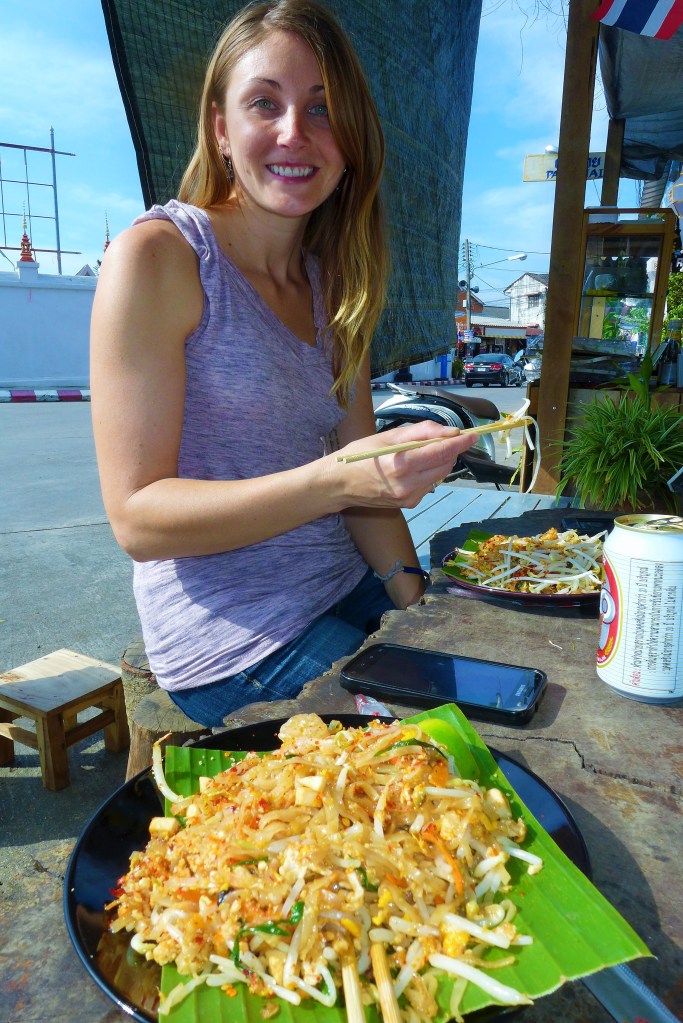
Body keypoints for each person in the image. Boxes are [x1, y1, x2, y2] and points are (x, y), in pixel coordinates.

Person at [90, 0, 477, 727]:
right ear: (221, 129)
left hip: (343, 586)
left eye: (323, 109)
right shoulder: (159, 258)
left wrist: (414, 601)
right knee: (430, 758)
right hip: (231, 639)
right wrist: (334, 479)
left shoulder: (339, 283)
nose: (295, 133)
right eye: (264, 103)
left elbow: (365, 486)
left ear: (351, 139)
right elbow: (137, 518)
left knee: (489, 689)